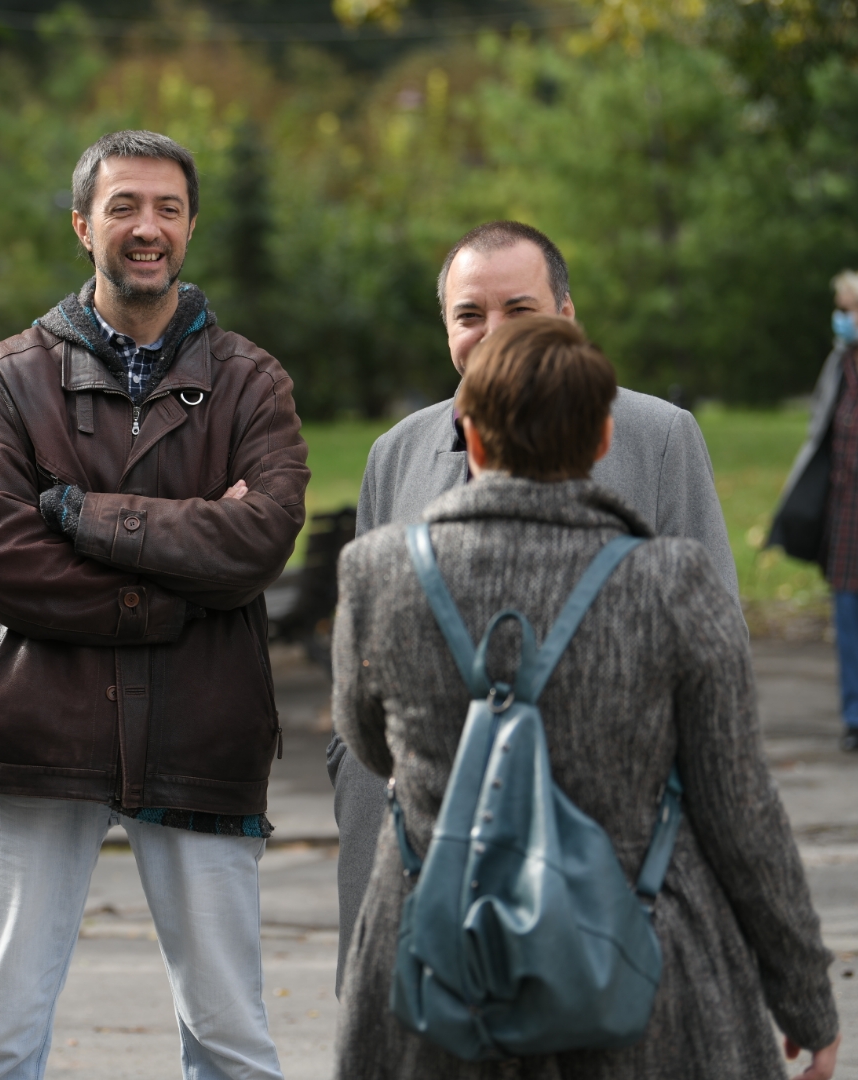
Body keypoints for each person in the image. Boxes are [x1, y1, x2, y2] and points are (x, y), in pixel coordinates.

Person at [330, 314, 840, 1080]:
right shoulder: (673, 584)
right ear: (603, 440)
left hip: (440, 976)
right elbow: (740, 807)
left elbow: (370, 746)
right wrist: (803, 994)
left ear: (471, 441)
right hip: (641, 966)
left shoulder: (378, 574)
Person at [0, 129, 309, 1080]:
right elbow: (3, 564)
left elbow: (261, 541)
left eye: (168, 209)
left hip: (202, 730)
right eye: (124, 207)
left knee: (232, 1038)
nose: (148, 228)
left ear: (190, 225)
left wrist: (76, 514)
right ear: (82, 225)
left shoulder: (253, 380)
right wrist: (176, 585)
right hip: (39, 731)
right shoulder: (6, 379)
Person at [327, 220, 737, 990]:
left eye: (520, 309)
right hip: (422, 842)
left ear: (567, 316)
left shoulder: (657, 438)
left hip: (598, 839)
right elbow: (365, 669)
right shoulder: (397, 454)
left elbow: (718, 655)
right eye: (470, 315)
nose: (494, 334)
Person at [768, 269, 858, 752]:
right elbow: (819, 432)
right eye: (841, 309)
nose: (843, 318)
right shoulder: (839, 364)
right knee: (847, 615)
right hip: (846, 512)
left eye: (850, 309)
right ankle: (854, 716)